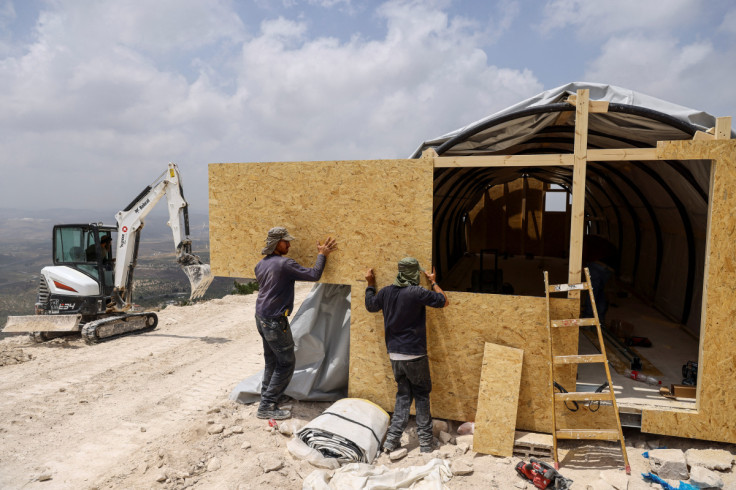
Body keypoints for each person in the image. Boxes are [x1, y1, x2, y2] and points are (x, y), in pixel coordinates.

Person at [364, 258, 449, 453]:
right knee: (421, 395)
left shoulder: (385, 292)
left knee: (403, 395)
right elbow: (444, 301)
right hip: (415, 355)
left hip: (395, 355)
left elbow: (370, 305)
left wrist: (370, 284)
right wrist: (434, 282)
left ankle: (391, 441)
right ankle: (426, 443)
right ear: (413, 274)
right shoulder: (417, 292)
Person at [253, 227, 337, 420]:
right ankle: (267, 406)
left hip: (261, 316)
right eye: (286, 241)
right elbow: (314, 274)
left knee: (272, 361)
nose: (289, 245)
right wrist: (322, 254)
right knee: (286, 363)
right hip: (274, 320)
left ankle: (269, 398)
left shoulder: (260, 265)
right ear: (276, 243)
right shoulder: (284, 264)